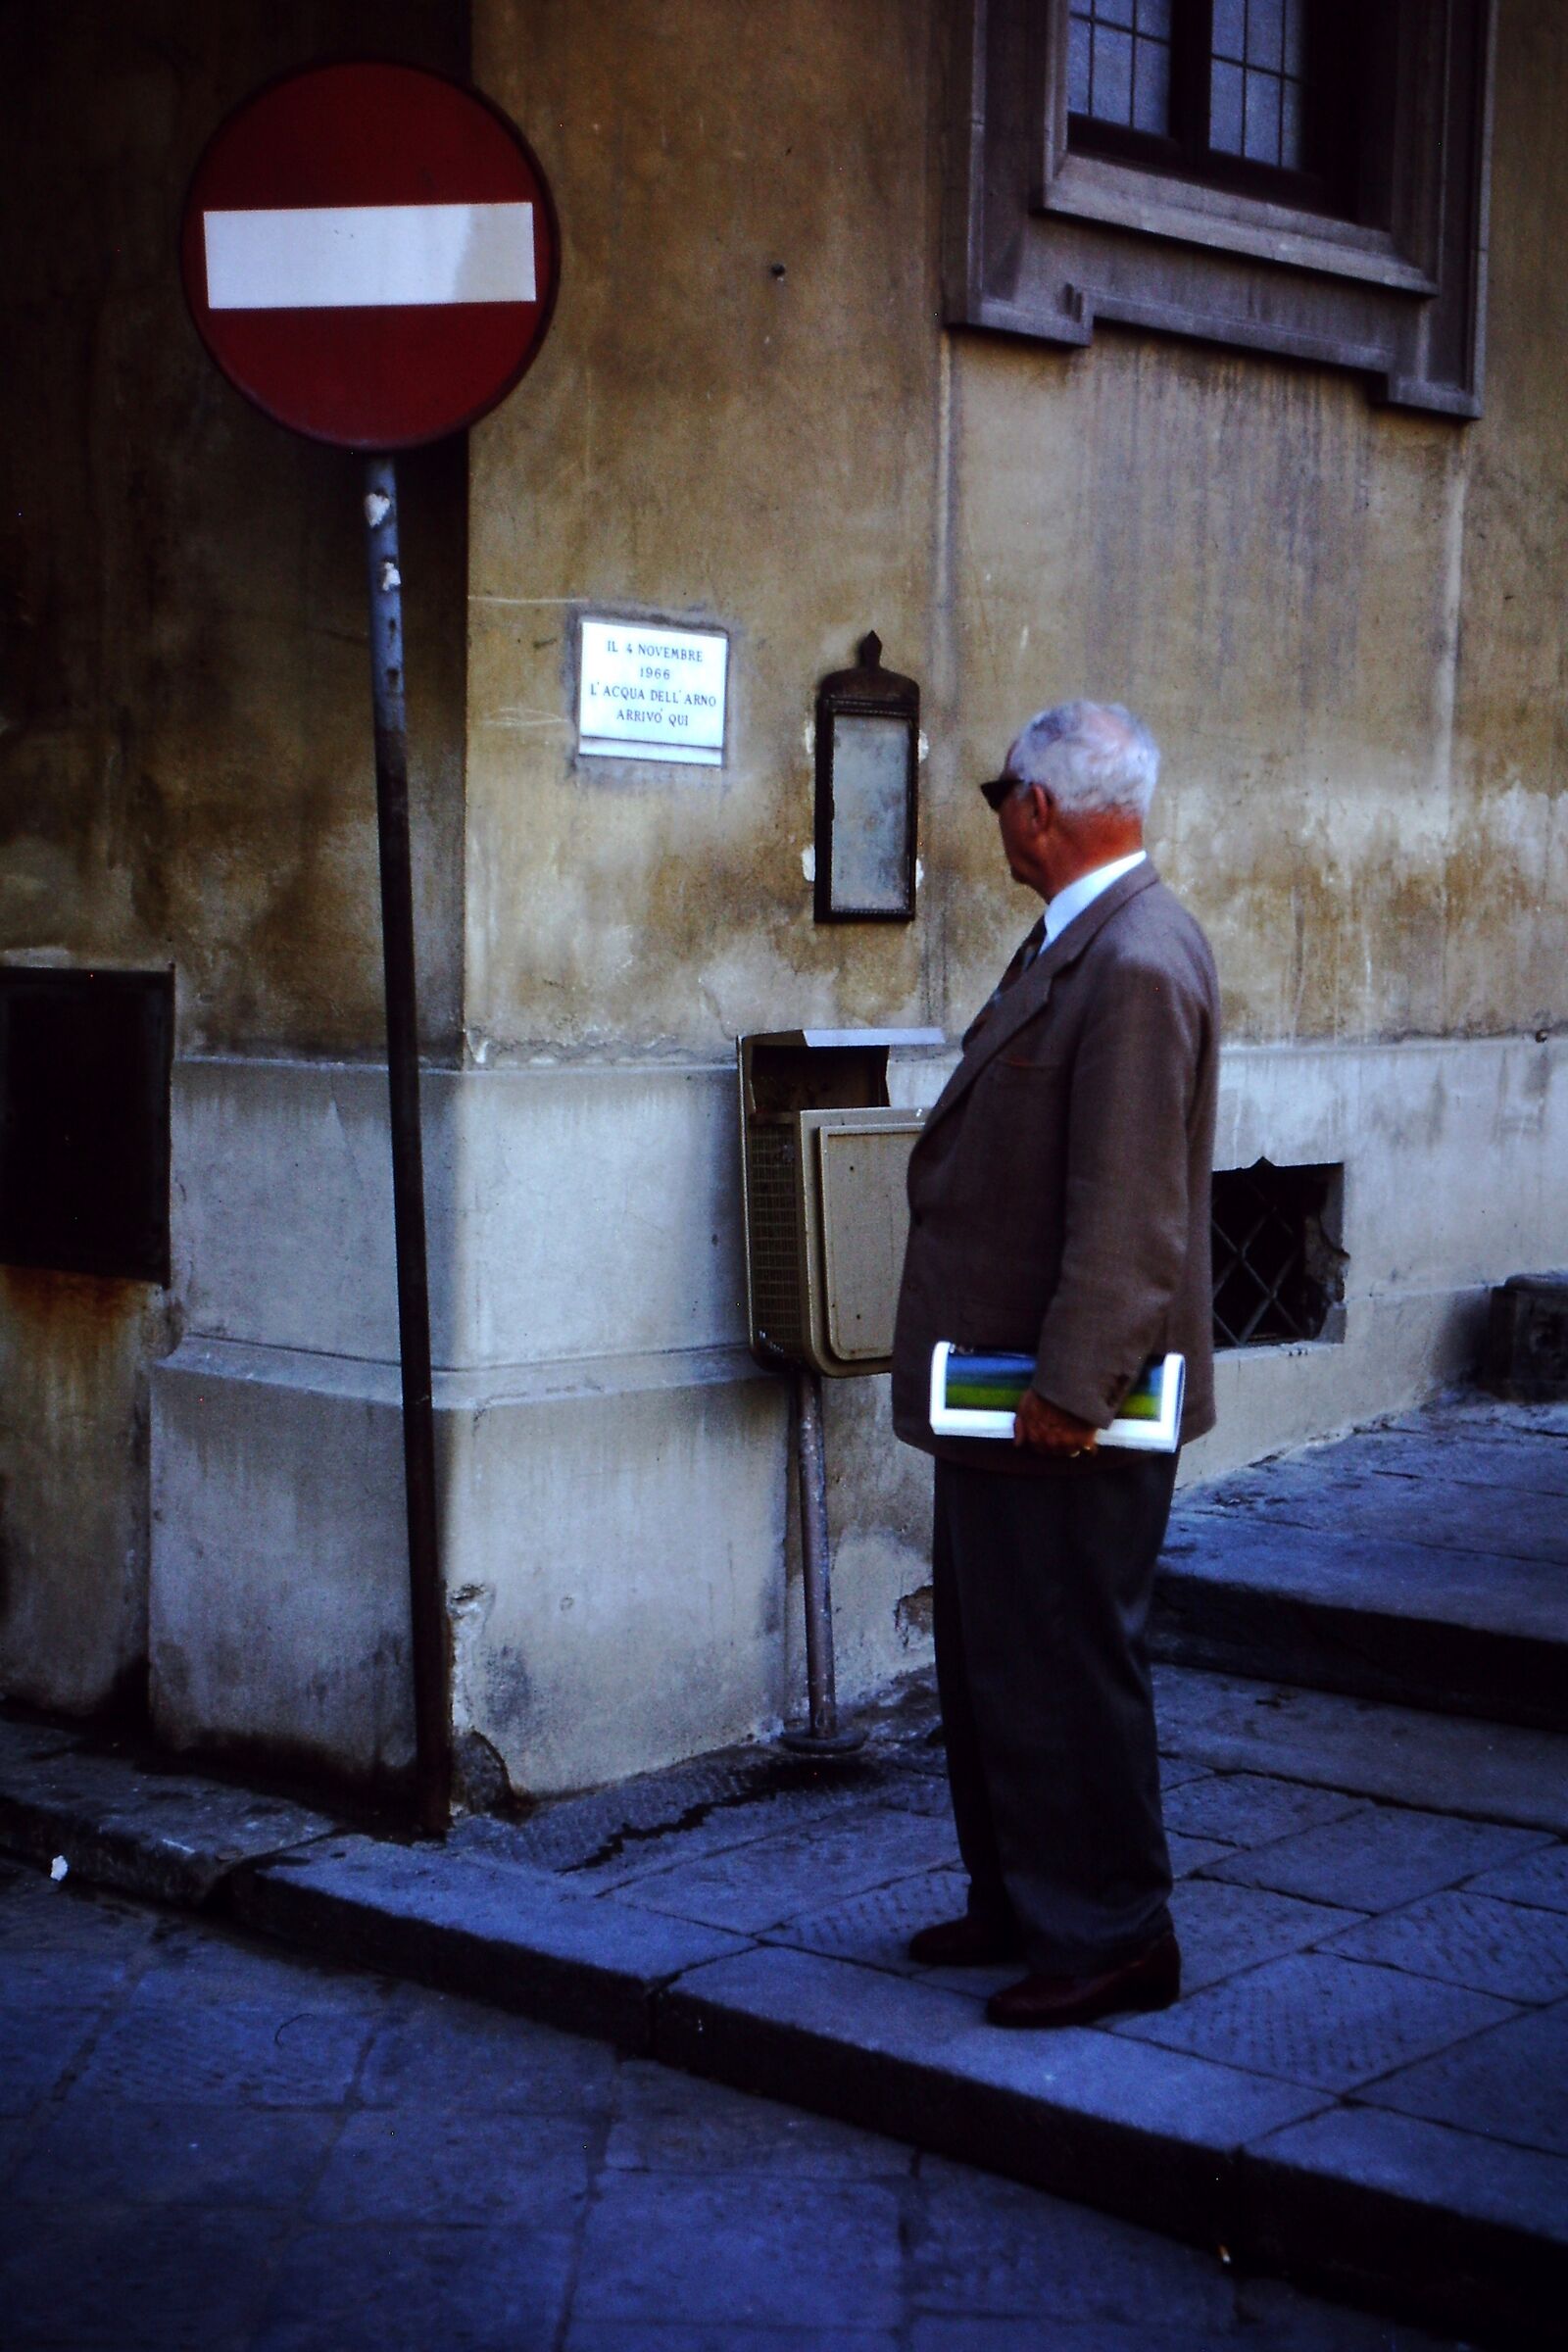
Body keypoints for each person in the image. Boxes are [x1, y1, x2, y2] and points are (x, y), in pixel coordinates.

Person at [890, 700, 1219, 2029]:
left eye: (999, 798)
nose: (998, 822)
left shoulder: (1133, 958)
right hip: (1006, 1389)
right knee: (999, 1663)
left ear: (1039, 807)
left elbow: (1132, 1213)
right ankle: (1027, 1901)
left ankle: (1114, 1936)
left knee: (1068, 1667)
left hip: (1063, 1404)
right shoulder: (1084, 938)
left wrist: (1074, 1389)